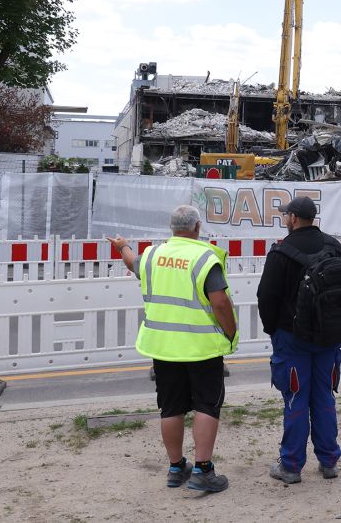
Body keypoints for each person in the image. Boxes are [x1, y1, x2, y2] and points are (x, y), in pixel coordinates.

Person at [107, 204, 238, 494]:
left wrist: (122, 246)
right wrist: (230, 333)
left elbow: (132, 263)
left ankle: (176, 467)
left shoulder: (153, 255)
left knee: (171, 407)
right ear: (198, 227)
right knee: (206, 405)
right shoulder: (205, 257)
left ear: (172, 228)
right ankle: (203, 471)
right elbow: (219, 302)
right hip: (201, 347)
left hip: (163, 347)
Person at [257, 196, 341, 484]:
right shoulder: (334, 246)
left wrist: (274, 330)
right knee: (324, 398)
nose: (285, 219)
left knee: (296, 399)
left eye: (286, 215)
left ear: (293, 218)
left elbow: (266, 296)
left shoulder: (282, 251)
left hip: (292, 339)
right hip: (328, 337)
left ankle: (291, 466)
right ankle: (329, 462)